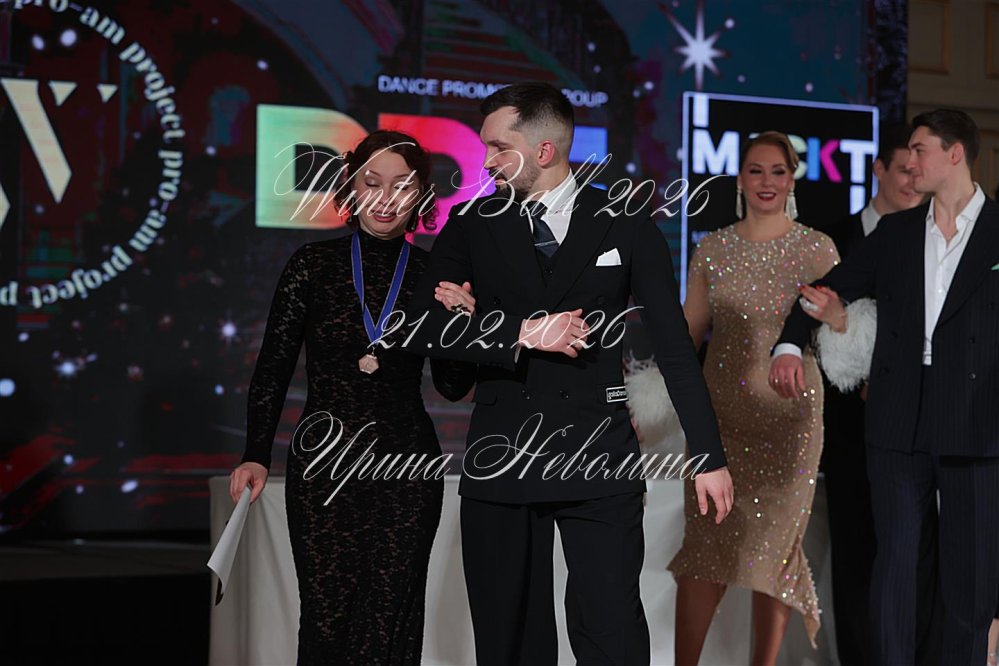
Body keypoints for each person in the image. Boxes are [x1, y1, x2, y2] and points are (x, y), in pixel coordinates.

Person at [401, 81, 733, 665]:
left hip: (599, 457)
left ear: (544, 150)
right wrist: (522, 332)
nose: (485, 161)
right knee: (509, 643)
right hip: (501, 456)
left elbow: (676, 348)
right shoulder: (472, 224)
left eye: (498, 148)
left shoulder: (625, 223)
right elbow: (421, 329)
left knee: (612, 636)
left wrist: (708, 455)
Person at [229, 130, 475, 665]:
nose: (386, 198)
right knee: (327, 618)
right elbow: (273, 366)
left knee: (391, 620)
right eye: (372, 183)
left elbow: (453, 386)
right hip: (324, 464)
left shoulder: (434, 275)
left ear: (420, 194)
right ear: (352, 187)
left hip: (406, 468)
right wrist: (255, 453)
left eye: (401, 185)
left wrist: (460, 321)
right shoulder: (312, 265)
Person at [771, 109, 999, 665]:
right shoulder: (895, 234)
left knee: (970, 574)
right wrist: (788, 345)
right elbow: (826, 289)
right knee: (895, 565)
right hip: (898, 414)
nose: (911, 161)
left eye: (920, 150)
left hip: (977, 416)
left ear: (955, 154)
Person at [667, 131, 840, 665]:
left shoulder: (817, 248)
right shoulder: (713, 248)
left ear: (792, 180)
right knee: (705, 551)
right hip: (720, 424)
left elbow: (840, 330)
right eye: (756, 170)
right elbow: (688, 333)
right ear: (740, 179)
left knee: (775, 556)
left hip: (791, 428)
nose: (767, 181)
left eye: (778, 171)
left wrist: (838, 316)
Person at [818, 124, 942, 666]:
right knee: (854, 552)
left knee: (918, 554)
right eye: (904, 171)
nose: (914, 181)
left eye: (920, 172)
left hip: (921, 428)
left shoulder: (940, 240)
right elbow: (812, 323)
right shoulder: (834, 239)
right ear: (879, 171)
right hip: (850, 429)